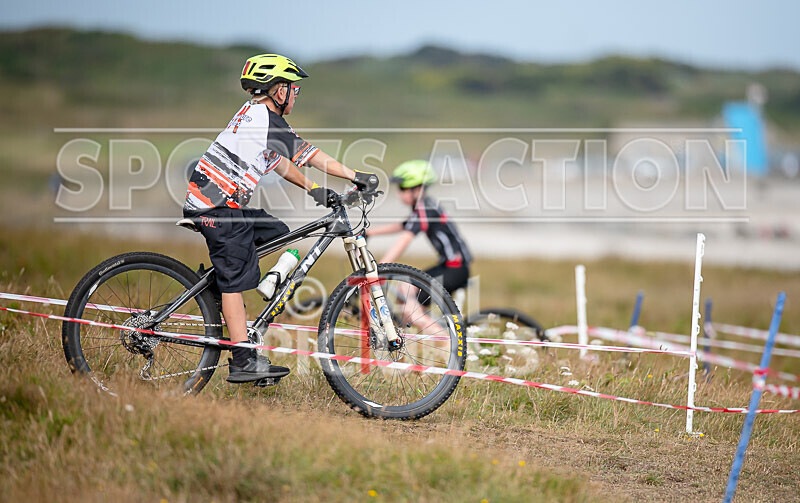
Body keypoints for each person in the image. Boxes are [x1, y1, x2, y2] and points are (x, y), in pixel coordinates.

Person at [183, 54, 375, 383]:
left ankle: (215, 288)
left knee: (281, 234)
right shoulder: (264, 117)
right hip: (216, 208)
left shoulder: (256, 116)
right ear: (277, 89)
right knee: (237, 278)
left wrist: (315, 189)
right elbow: (306, 152)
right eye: (293, 88)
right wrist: (355, 175)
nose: (296, 95)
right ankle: (243, 360)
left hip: (226, 207)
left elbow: (279, 161)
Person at [366, 160, 472, 301]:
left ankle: (428, 324)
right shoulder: (425, 206)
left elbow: (405, 238)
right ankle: (424, 322)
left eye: (402, 188)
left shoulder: (425, 210)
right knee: (404, 291)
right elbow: (404, 225)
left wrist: (380, 269)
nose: (399, 193)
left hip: (454, 270)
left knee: (407, 298)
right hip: (449, 267)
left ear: (417, 190)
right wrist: (370, 232)